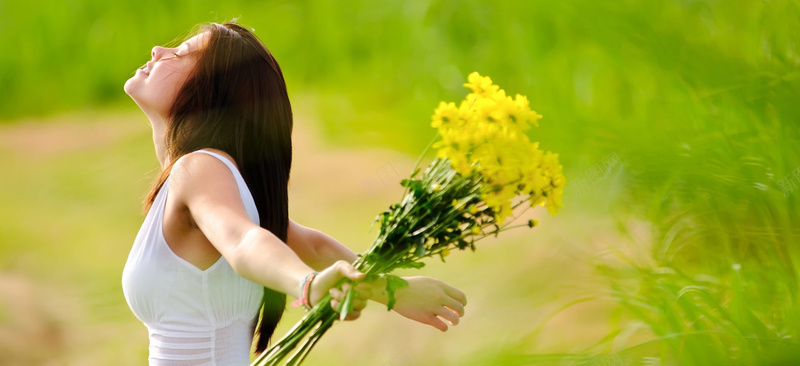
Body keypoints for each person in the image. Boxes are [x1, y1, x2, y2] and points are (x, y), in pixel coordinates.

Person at [121, 21, 468, 365]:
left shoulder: (199, 169)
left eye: (181, 53)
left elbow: (244, 241)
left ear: (209, 92)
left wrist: (308, 285)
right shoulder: (206, 177)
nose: (159, 50)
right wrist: (393, 290)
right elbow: (310, 245)